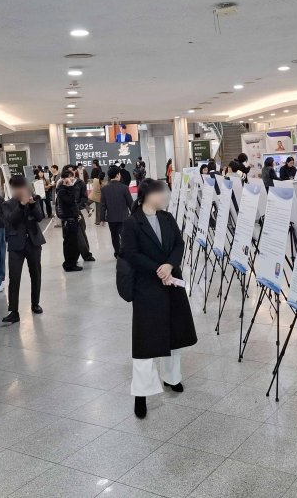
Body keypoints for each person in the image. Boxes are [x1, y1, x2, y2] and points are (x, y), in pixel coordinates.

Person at [121, 179, 198, 419]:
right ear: (147, 195)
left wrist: (169, 265)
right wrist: (159, 269)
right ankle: (141, 394)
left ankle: (172, 378)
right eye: (160, 193)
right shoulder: (132, 223)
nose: (165, 197)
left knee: (174, 334)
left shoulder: (167, 218)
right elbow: (131, 254)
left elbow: (179, 244)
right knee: (145, 341)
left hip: (171, 283)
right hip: (147, 287)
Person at [1, 176, 45, 323]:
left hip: (33, 242)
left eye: (22, 187)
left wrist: (32, 205)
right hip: (16, 244)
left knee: (36, 274)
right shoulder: (7, 204)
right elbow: (11, 220)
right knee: (14, 277)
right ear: (12, 189)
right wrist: (21, 205)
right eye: (17, 187)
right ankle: (14, 311)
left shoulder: (34, 200)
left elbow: (40, 217)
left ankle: (35, 303)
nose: (20, 190)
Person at [102, 166, 134, 257]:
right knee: (125, 236)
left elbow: (103, 205)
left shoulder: (104, 189)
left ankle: (117, 253)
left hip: (111, 218)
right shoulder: (124, 187)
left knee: (114, 237)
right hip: (123, 217)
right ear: (117, 175)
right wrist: (134, 214)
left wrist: (102, 218)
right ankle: (126, 252)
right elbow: (130, 203)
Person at [56, 170, 83, 272]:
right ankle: (69, 265)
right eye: (70, 176)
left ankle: (72, 263)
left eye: (73, 177)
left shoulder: (66, 189)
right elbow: (70, 201)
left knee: (73, 243)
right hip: (68, 221)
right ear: (64, 179)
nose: (72, 179)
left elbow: (73, 203)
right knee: (70, 244)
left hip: (72, 219)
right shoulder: (62, 191)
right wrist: (71, 186)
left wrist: (77, 214)